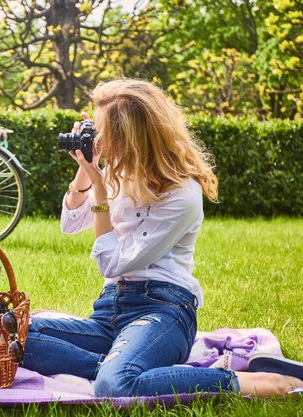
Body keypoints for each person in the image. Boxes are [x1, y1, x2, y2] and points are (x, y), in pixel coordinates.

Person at [22, 79, 303, 397]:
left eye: (105, 134)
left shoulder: (182, 194)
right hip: (109, 311)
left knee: (115, 386)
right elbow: (71, 223)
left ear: (131, 138)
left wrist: (100, 189)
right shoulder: (118, 172)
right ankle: (124, 363)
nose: (99, 141)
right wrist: (87, 170)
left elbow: (111, 262)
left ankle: (252, 381)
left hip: (163, 310)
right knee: (12, 336)